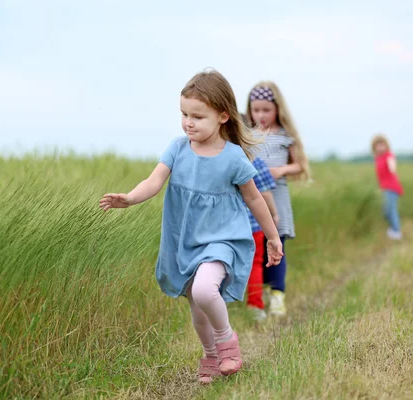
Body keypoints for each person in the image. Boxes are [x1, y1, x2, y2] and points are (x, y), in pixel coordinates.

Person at [100, 70, 283, 384]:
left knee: (203, 289)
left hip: (223, 238)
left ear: (223, 116)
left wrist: (272, 237)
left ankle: (228, 344)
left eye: (198, 116)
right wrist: (130, 198)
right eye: (184, 114)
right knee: (198, 311)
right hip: (186, 240)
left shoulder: (233, 157)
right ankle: (211, 354)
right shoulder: (177, 148)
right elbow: (154, 181)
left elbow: (254, 199)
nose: (188, 122)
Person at [245, 81, 310, 317]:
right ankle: (256, 297)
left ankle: (277, 295)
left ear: (277, 110)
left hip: (278, 196)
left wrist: (281, 170)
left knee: (277, 244)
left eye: (266, 110)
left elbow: (300, 166)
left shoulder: (285, 136)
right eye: (256, 110)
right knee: (255, 248)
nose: (261, 115)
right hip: (253, 197)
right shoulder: (246, 135)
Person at [246, 157, 280, 321]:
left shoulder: (220, 155)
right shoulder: (255, 162)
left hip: (228, 225)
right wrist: (274, 214)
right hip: (254, 224)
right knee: (254, 264)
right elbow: (265, 193)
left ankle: (221, 306)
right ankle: (254, 305)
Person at [371, 134, 404, 240]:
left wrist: (392, 166)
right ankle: (393, 229)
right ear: (374, 146)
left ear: (386, 145)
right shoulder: (377, 158)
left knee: (391, 209)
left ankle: (396, 231)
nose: (380, 147)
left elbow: (392, 165)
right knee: (385, 211)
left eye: (382, 144)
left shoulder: (388, 155)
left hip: (392, 187)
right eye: (378, 145)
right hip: (384, 188)